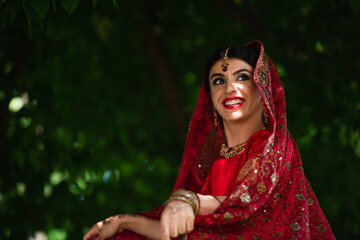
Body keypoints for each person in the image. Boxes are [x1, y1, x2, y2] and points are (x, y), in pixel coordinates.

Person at [83, 41, 335, 240]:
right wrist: (124, 222)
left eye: (242, 77)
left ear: (262, 90)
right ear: (211, 96)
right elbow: (184, 232)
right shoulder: (214, 159)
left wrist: (186, 200)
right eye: (219, 81)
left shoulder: (276, 147)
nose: (230, 88)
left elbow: (246, 203)